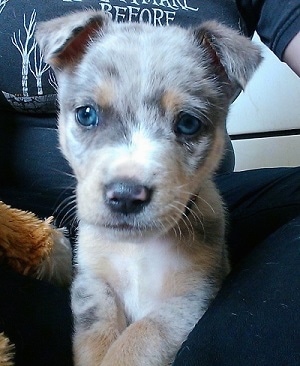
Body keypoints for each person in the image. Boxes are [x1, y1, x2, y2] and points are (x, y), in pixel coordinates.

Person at [0, 1, 299, 365]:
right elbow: (95, 289)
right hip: (30, 220)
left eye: (186, 123)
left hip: (188, 209)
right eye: (88, 115)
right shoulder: (73, 43)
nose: (130, 183)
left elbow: (184, 306)